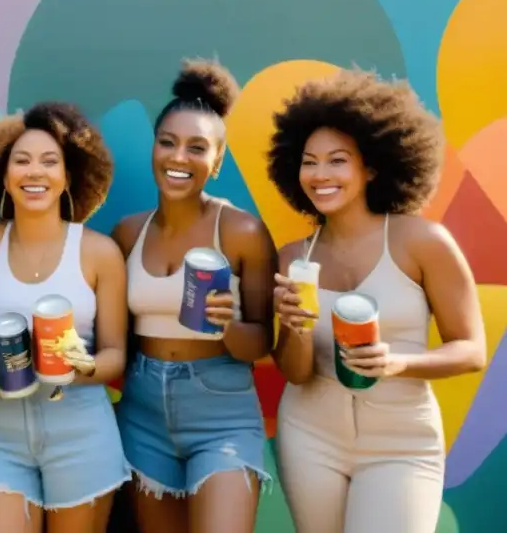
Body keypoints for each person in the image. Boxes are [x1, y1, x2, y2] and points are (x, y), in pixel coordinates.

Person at [268, 69, 486, 533]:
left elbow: (471, 349)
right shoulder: (293, 258)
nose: (320, 174)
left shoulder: (421, 241)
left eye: (337, 160)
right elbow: (295, 372)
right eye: (309, 162)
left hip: (401, 439)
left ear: (371, 166)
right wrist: (296, 328)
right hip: (310, 435)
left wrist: (396, 362)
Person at [113, 60, 275, 533]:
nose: (178, 157)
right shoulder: (128, 234)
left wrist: (227, 325)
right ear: (154, 149)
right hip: (141, 410)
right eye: (168, 142)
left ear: (217, 161)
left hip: (221, 409)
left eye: (197, 148)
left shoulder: (242, 231)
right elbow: (115, 340)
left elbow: (261, 343)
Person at [0, 102, 130, 533]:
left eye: (49, 161)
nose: (34, 172)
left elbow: (116, 355)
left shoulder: (100, 252)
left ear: (69, 176)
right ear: (3, 176)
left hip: (81, 434)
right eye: (21, 161)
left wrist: (84, 363)